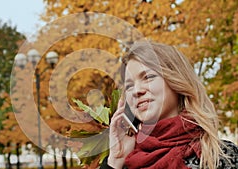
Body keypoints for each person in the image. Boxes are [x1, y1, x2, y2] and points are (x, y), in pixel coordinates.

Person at [100, 40, 238, 169]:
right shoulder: (124, 162)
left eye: (148, 77)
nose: (137, 91)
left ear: (176, 80)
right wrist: (114, 161)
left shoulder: (218, 156)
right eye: (129, 86)